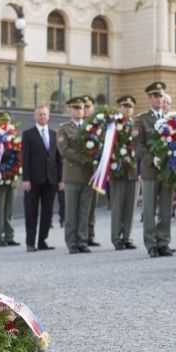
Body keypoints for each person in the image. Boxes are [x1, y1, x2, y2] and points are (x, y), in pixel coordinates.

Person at [134, 82, 175, 257]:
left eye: (161, 96)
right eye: (156, 96)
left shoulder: (170, 119)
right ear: (150, 98)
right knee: (150, 209)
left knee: (166, 208)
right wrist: (152, 159)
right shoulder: (142, 119)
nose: (159, 99)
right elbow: (137, 144)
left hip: (168, 170)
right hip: (151, 170)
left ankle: (163, 241)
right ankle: (151, 243)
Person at [21, 104, 64, 252]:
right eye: (40, 114)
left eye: (45, 114)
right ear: (35, 116)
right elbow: (25, 158)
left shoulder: (54, 134)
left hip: (51, 180)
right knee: (31, 212)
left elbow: (58, 158)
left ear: (49, 116)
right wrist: (25, 179)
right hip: (33, 180)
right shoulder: (28, 134)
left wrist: (60, 179)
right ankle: (30, 243)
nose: (42, 117)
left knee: (47, 212)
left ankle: (42, 241)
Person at [58, 97, 94, 253]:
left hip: (88, 175)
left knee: (85, 211)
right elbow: (64, 150)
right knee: (71, 211)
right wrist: (84, 157)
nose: (79, 110)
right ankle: (72, 242)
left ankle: (82, 241)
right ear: (69, 110)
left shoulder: (90, 128)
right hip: (72, 175)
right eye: (75, 108)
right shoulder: (64, 129)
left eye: (81, 108)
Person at [109, 95, 139, 250]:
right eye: (124, 106)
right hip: (118, 171)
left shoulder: (136, 125)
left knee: (130, 206)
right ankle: (116, 237)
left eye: (130, 106)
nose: (127, 109)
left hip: (133, 172)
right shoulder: (112, 126)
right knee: (118, 205)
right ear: (118, 108)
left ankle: (127, 237)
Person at [0, 111, 20, 248]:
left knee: (9, 210)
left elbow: (19, 154)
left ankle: (9, 236)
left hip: (12, 177)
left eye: (7, 120)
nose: (5, 123)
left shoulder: (14, 136)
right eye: (2, 120)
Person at [82, 96, 101, 247]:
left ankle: (90, 234)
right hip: (81, 169)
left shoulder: (98, 125)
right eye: (84, 107)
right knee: (82, 204)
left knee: (92, 203)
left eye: (89, 106)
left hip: (96, 169)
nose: (86, 109)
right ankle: (80, 234)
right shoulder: (79, 126)